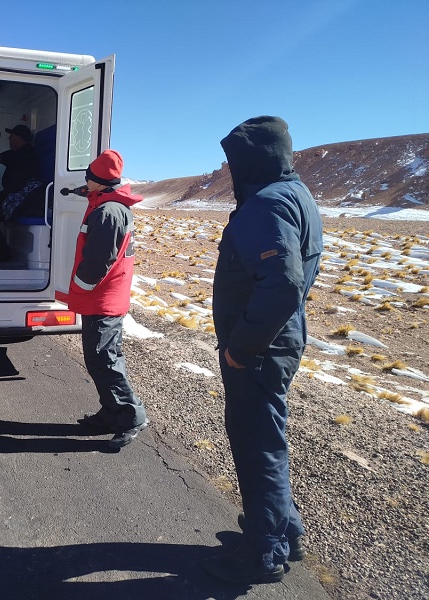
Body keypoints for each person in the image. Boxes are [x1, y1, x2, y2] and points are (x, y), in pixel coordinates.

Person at [202, 116, 323, 585]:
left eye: (234, 163)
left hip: (259, 348)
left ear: (252, 162)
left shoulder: (266, 204)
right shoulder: (296, 194)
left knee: (256, 445)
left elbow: (282, 285)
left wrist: (241, 348)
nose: (231, 172)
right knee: (266, 437)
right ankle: (283, 530)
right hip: (280, 339)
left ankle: (263, 551)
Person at [67, 150, 149, 450]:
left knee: (104, 359)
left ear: (99, 181)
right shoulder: (107, 203)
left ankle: (131, 417)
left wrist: (79, 287)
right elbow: (91, 192)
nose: (85, 180)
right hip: (104, 296)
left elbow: (99, 260)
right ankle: (110, 412)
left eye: (88, 176)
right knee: (100, 357)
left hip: (103, 298)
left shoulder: (108, 212)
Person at [0, 123, 42, 262]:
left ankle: (1, 253)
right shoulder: (21, 153)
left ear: (19, 138)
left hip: (24, 202)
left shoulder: (23, 155)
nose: (9, 138)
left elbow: (16, 185)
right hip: (22, 199)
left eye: (12, 136)